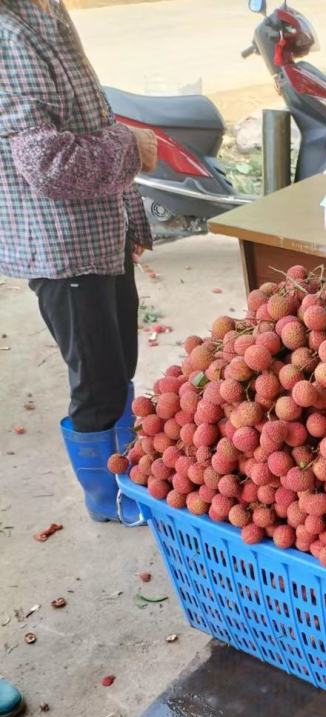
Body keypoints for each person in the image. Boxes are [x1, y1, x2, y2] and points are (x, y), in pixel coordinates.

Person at [0, 0, 156, 522]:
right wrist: (131, 147)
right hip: (65, 247)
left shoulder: (46, 10)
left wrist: (129, 219)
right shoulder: (10, 32)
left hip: (100, 234)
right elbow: (49, 163)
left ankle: (130, 475)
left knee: (120, 365)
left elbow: (91, 119)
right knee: (97, 383)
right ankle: (109, 499)